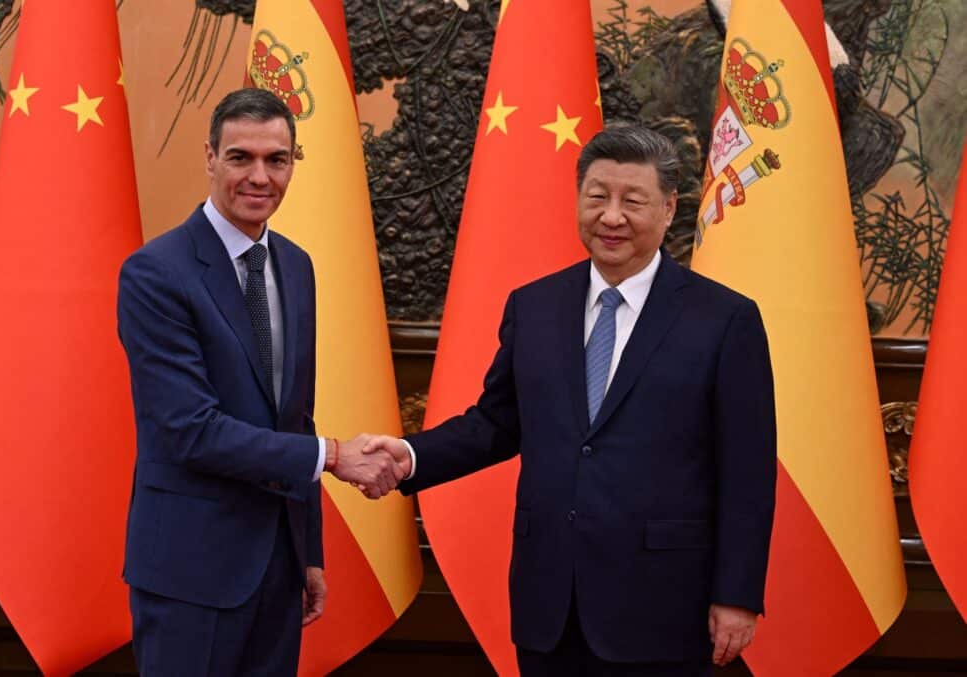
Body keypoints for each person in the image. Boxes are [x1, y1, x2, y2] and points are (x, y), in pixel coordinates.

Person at [363, 124, 777, 676]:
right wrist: (410, 456)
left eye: (633, 201)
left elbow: (748, 472)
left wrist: (737, 595)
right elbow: (496, 424)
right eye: (597, 196)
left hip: (665, 607)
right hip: (550, 605)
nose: (612, 216)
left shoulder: (724, 319)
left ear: (668, 208)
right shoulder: (535, 306)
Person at [116, 87, 406, 676]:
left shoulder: (296, 266)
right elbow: (190, 431)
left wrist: (308, 551)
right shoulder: (155, 272)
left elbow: (295, 417)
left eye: (276, 160)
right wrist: (334, 457)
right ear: (210, 157)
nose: (259, 177)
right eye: (240, 157)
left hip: (278, 566)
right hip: (190, 570)